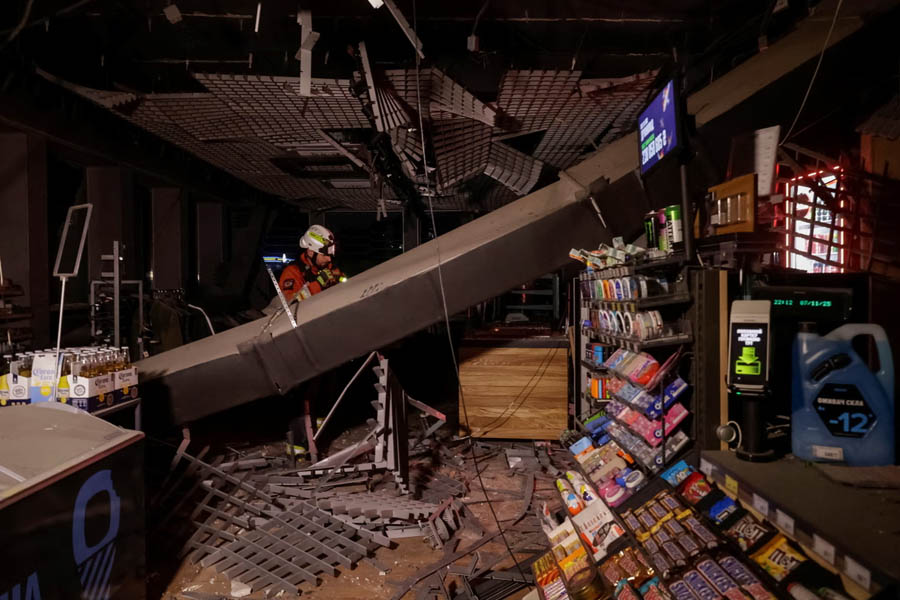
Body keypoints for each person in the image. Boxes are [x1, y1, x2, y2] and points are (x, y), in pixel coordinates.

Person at [278, 225, 345, 302]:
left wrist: (340, 280)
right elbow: (290, 303)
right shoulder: (292, 272)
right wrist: (318, 284)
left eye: (330, 255)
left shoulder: (329, 268)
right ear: (311, 252)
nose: (329, 259)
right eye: (324, 255)